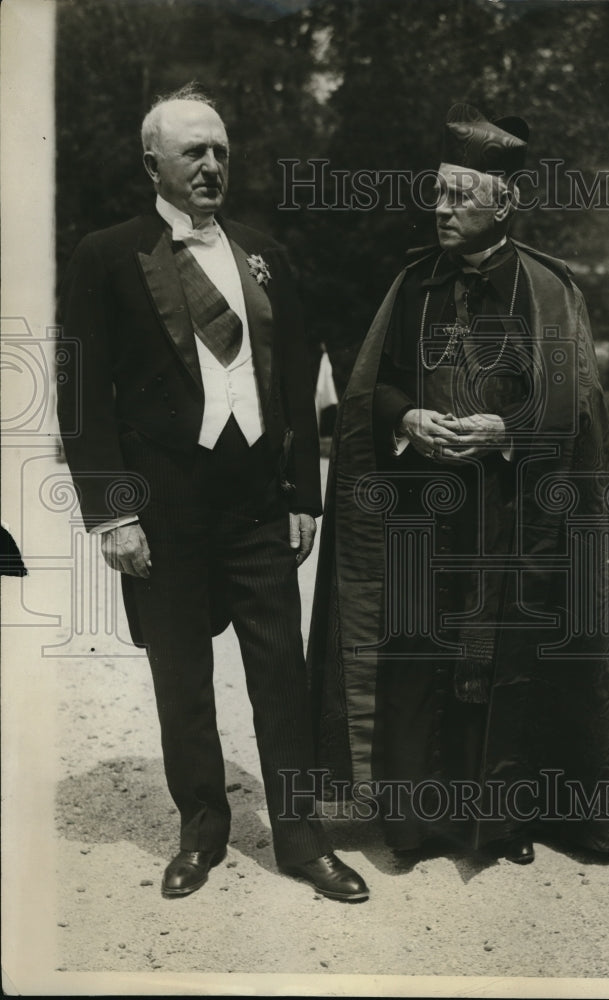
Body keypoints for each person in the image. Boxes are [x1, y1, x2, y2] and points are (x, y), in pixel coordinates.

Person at [307, 104, 609, 864]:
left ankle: (502, 823)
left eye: (459, 196)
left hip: (513, 514)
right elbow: (376, 387)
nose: (441, 208)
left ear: (505, 202)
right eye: (437, 192)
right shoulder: (413, 285)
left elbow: (576, 406)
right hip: (423, 513)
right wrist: (407, 418)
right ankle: (418, 823)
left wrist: (506, 431)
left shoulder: (547, 289)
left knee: (504, 661)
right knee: (416, 655)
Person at [57, 85, 368, 902]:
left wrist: (302, 496)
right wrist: (113, 512)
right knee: (183, 682)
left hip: (257, 505)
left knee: (281, 677)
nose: (210, 165)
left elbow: (293, 379)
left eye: (221, 151)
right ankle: (201, 833)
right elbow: (82, 395)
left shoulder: (265, 254)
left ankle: (302, 840)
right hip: (163, 513)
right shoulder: (105, 255)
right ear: (152, 161)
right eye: (193, 150)